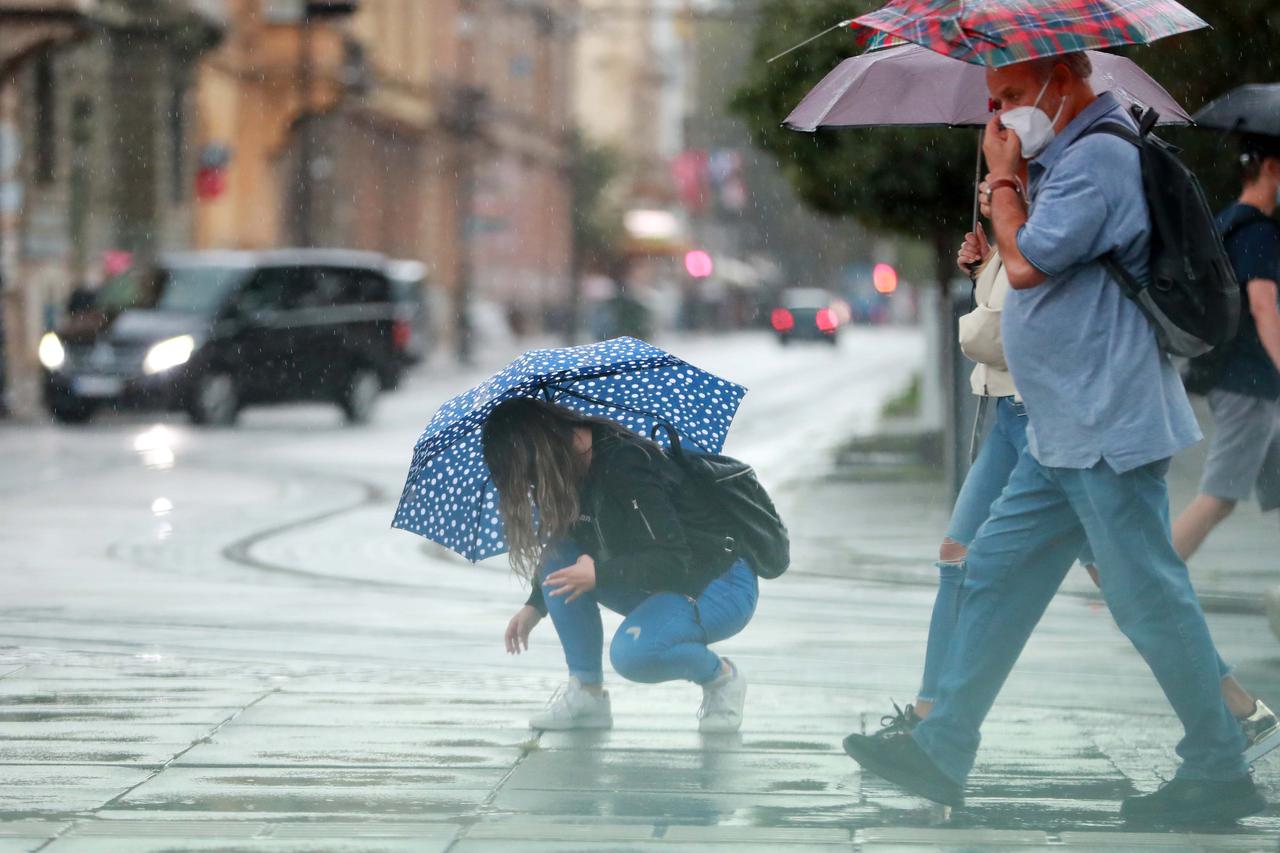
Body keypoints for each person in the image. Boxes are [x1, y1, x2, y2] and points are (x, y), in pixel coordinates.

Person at [842, 52, 1266, 826]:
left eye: (1011, 95)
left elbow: (1032, 263)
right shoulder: (1069, 157)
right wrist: (1011, 197)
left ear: (1063, 82)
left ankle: (1218, 764)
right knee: (994, 571)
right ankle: (942, 747)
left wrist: (1004, 183)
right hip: (1060, 424)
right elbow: (1039, 255)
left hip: (1104, 422)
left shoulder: (1101, 153)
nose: (1001, 115)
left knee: (1148, 599)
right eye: (994, 99)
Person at [484, 398, 758, 733]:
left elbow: (673, 558)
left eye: (527, 474)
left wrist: (599, 574)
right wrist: (535, 606)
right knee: (557, 554)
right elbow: (570, 548)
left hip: (718, 584)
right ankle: (587, 695)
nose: (530, 486)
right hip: (659, 582)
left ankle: (722, 679)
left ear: (539, 449)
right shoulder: (574, 467)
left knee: (633, 655)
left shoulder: (626, 465)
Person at [1172, 135, 1280, 564]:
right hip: (1248, 383)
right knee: (1219, 497)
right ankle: (1144, 584)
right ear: (1271, 167)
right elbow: (1263, 305)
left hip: (1234, 374)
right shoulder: (1258, 231)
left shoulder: (1227, 222)